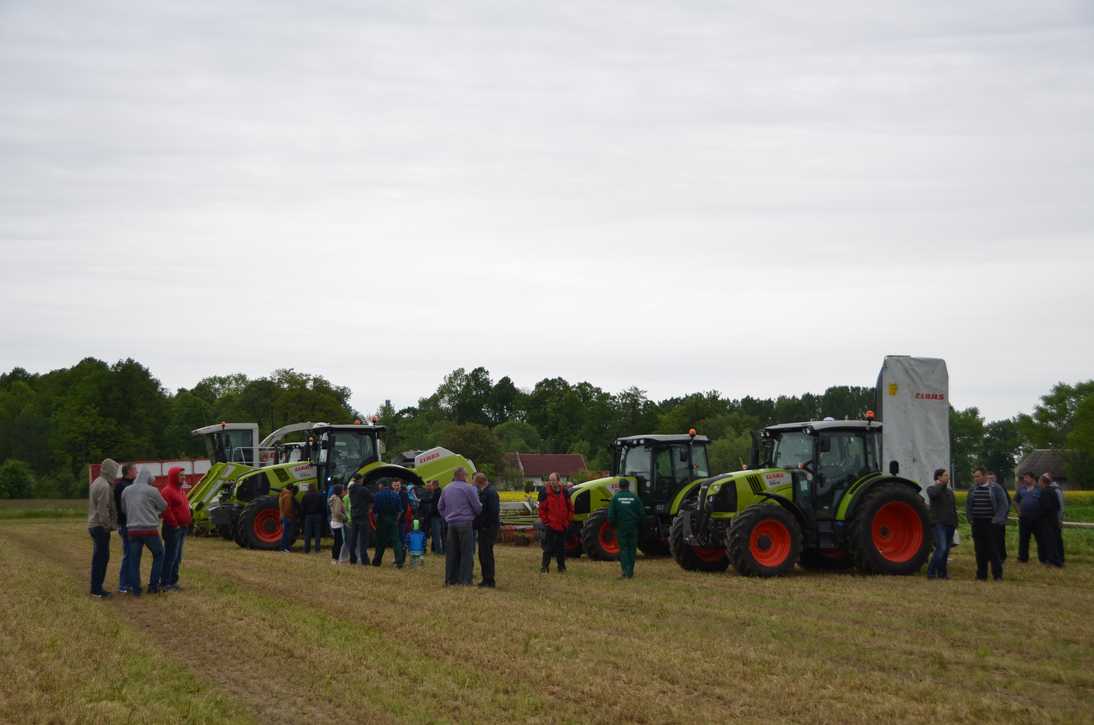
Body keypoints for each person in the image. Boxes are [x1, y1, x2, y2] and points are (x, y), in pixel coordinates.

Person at [121, 468, 167, 596]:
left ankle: (136, 589)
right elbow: (164, 506)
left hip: (132, 530)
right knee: (159, 555)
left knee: (134, 560)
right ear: (148, 478)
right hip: (149, 529)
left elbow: (124, 510)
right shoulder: (152, 491)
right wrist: (154, 512)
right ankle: (153, 586)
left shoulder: (126, 490)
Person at [436, 467, 481, 586]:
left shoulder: (446, 488)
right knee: (466, 552)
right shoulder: (469, 488)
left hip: (451, 524)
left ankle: (450, 579)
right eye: (466, 476)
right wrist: (476, 514)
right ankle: (465, 580)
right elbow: (477, 506)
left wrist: (447, 517)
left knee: (451, 553)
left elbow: (440, 506)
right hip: (465, 523)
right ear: (463, 476)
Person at [966, 467, 1008, 581]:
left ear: (985, 476)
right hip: (977, 523)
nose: (976, 479)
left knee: (993, 550)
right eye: (974, 477)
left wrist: (997, 519)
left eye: (978, 476)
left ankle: (997, 575)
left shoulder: (996, 488)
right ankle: (981, 575)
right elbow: (969, 504)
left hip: (991, 523)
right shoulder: (973, 489)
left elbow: (1003, 505)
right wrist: (970, 518)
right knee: (979, 550)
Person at [87, 458, 119, 599]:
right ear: (110, 470)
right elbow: (103, 509)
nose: (116, 474)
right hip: (100, 526)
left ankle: (96, 587)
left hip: (93, 525)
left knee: (98, 558)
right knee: (102, 558)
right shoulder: (105, 486)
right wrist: (108, 526)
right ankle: (97, 590)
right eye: (115, 470)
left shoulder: (96, 482)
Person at [160, 466, 193, 591]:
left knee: (177, 557)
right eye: (181, 475)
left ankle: (173, 581)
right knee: (170, 556)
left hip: (182, 528)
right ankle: (165, 582)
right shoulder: (167, 491)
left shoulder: (181, 491)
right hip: (173, 528)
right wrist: (175, 524)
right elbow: (166, 510)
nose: (184, 477)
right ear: (174, 476)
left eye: (184, 475)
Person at [607, 479, 645, 579]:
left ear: (619, 486)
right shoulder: (635, 498)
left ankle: (625, 571)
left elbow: (610, 516)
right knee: (632, 549)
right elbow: (642, 514)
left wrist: (613, 525)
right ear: (628, 486)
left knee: (623, 549)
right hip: (633, 527)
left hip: (621, 527)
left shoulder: (615, 498)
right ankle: (630, 571)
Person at [538, 472, 573, 574]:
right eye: (550, 480)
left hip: (563, 525)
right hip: (551, 525)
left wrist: (568, 521)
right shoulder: (545, 492)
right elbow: (542, 509)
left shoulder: (565, 492)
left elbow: (570, 507)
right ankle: (544, 567)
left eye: (553, 480)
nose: (551, 482)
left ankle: (561, 567)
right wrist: (546, 522)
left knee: (561, 548)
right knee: (548, 548)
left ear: (558, 481)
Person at [925, 468, 957, 580]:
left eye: (947, 475)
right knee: (941, 548)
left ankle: (942, 573)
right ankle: (931, 572)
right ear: (938, 477)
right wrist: (942, 485)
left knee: (946, 550)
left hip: (950, 524)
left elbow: (953, 508)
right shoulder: (932, 489)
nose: (947, 477)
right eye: (945, 475)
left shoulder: (949, 492)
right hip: (939, 524)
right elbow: (934, 494)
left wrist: (955, 523)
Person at [113, 462, 137, 594]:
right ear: (128, 471)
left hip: (130, 523)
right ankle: (123, 584)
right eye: (135, 470)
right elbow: (125, 507)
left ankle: (129, 583)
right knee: (128, 554)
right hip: (126, 524)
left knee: (132, 554)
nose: (137, 472)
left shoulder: (127, 485)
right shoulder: (122, 486)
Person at [473, 472, 500, 588]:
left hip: (488, 528)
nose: (474, 484)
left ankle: (489, 580)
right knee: (483, 554)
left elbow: (494, 511)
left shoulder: (490, 493)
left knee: (486, 554)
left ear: (480, 482)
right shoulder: (486, 491)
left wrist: (485, 524)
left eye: (474, 482)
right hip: (484, 527)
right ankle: (486, 578)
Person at [371, 480, 404, 568]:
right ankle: (399, 562)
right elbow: (400, 511)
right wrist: (396, 520)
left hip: (381, 520)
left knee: (380, 542)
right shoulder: (396, 495)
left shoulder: (377, 495)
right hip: (393, 519)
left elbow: (374, 511)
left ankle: (377, 562)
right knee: (396, 541)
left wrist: (376, 520)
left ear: (381, 485)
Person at [1014, 472, 1042, 563]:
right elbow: (1015, 501)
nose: (1024, 480)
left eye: (1026, 478)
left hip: (1037, 519)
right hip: (1024, 518)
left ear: (1033, 478)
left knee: (1040, 539)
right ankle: (1022, 558)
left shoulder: (1040, 489)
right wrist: (1019, 512)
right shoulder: (1021, 489)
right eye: (1024, 478)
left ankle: (1043, 558)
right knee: (1023, 539)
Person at [1038, 474, 1064, 567]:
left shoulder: (1044, 492)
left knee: (1049, 541)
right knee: (1054, 540)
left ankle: (1053, 561)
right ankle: (1057, 559)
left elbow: (1045, 507)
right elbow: (1057, 506)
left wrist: (1040, 514)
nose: (1039, 483)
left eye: (1039, 481)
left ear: (1043, 482)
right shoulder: (1053, 491)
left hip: (1046, 520)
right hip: (1053, 519)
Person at [347, 474, 373, 565]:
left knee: (353, 538)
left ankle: (352, 558)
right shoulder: (363, 490)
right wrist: (369, 509)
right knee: (363, 539)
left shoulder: (350, 489)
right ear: (360, 480)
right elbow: (371, 500)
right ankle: (364, 559)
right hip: (363, 515)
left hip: (354, 515)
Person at [988, 472, 1010, 562]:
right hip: (989, 519)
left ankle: (1002, 556)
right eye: (988, 478)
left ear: (995, 479)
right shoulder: (986, 488)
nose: (990, 480)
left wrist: (1003, 516)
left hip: (1000, 519)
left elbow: (1007, 503)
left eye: (992, 478)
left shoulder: (1000, 488)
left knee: (1000, 538)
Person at [301, 484, 324, 554]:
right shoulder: (319, 495)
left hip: (308, 516)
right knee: (317, 533)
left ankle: (306, 549)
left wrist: (303, 516)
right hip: (317, 515)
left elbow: (303, 507)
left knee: (307, 533)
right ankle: (317, 549)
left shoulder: (305, 496)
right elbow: (322, 506)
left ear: (308, 488)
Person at [277, 483, 298, 553]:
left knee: (285, 533)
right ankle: (285, 548)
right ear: (291, 489)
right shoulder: (288, 496)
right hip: (288, 517)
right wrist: (291, 515)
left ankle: (283, 547)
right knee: (288, 534)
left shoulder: (282, 494)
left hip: (284, 516)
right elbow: (288, 507)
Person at [328, 484, 346, 564]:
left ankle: (334, 558)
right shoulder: (338, 500)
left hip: (333, 521)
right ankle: (336, 558)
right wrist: (345, 517)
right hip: (338, 522)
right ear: (340, 491)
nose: (344, 492)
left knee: (336, 542)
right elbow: (337, 512)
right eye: (343, 490)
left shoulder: (333, 498)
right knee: (340, 542)